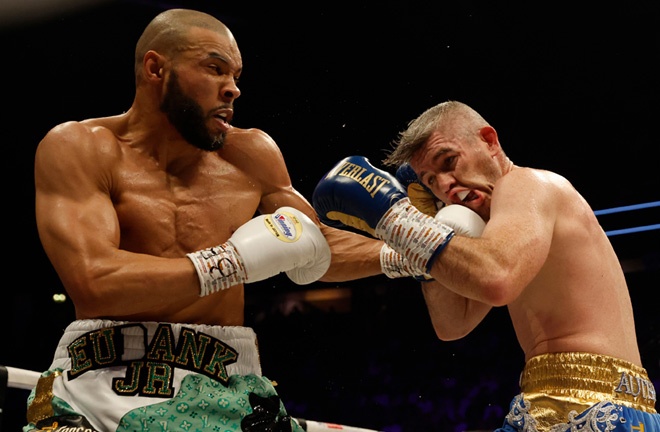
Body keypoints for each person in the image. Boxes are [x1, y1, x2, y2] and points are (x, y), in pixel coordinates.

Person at [25, 8, 422, 432]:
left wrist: (412, 253)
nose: (232, 89)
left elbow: (311, 243)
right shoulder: (80, 149)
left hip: (223, 380)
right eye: (215, 69)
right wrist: (228, 263)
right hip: (98, 373)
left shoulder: (251, 154)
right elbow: (95, 281)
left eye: (235, 75)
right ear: (156, 68)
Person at [313, 100, 660, 432]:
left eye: (449, 162)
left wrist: (396, 219)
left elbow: (497, 280)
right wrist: (420, 236)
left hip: (593, 406)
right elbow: (452, 324)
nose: (445, 186)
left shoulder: (527, 184)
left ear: (489, 141)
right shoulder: (499, 234)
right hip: (559, 402)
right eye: (431, 181)